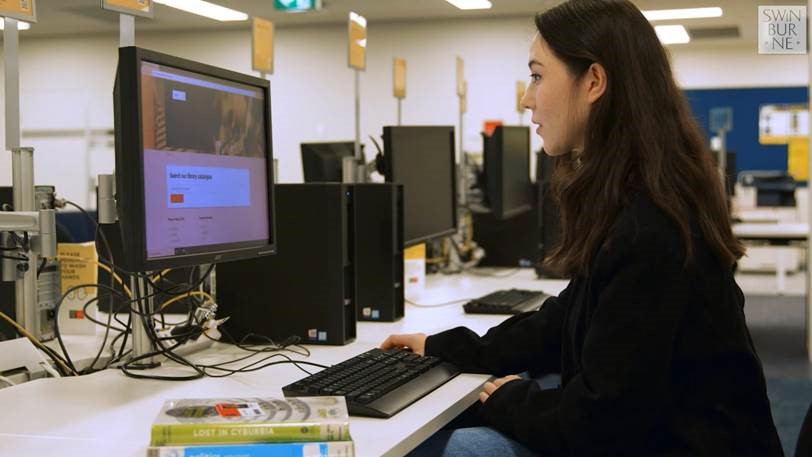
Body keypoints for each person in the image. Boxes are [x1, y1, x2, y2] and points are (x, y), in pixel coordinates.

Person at [380, 1, 784, 456]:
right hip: (662, 436)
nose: (526, 98)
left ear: (593, 82)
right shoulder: (639, 198)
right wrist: (447, 348)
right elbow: (565, 320)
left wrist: (514, 399)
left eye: (537, 75)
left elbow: (601, 422)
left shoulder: (651, 228)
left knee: (461, 448)